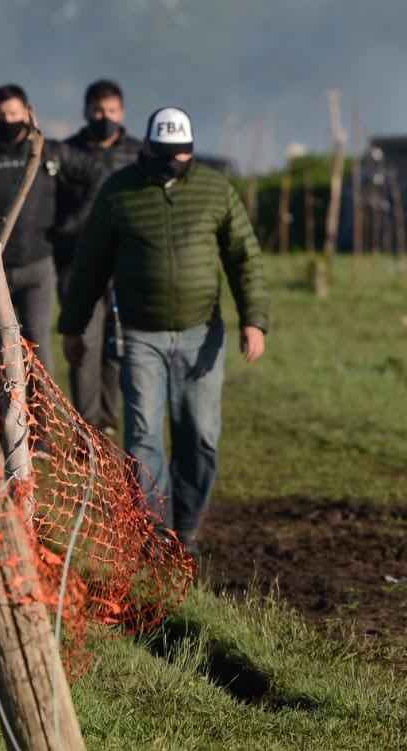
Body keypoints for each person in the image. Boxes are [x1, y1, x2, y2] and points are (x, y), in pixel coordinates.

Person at [58, 106, 269, 555]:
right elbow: (90, 264)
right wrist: (74, 327)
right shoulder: (120, 192)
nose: (172, 162)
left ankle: (186, 528)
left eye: (181, 154)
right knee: (143, 437)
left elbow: (243, 257)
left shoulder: (215, 191)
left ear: (190, 151)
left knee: (200, 434)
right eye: (164, 153)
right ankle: (155, 533)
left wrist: (253, 319)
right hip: (140, 335)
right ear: (147, 147)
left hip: (201, 335)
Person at [0, 83, 108, 376]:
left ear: (27, 113)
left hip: (37, 267)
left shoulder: (48, 152)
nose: (8, 121)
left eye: (14, 114)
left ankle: (40, 417)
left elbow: (98, 177)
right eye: (1, 115)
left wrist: (75, 223)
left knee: (36, 348)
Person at [53, 79, 143, 436]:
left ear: (122, 113)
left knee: (115, 345)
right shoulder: (67, 152)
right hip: (77, 264)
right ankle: (85, 426)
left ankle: (107, 420)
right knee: (82, 343)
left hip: (124, 263)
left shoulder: (138, 153)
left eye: (111, 111)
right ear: (86, 111)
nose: (104, 117)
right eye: (97, 111)